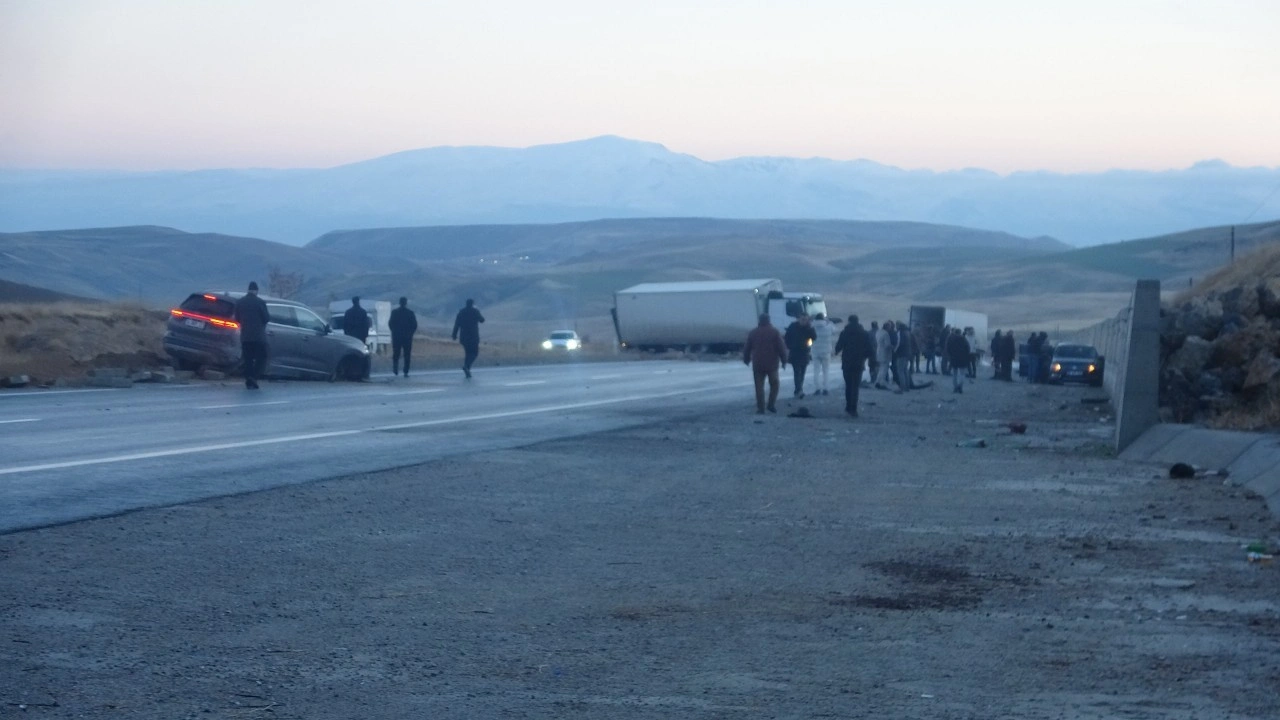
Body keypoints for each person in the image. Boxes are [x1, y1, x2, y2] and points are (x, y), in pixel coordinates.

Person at [743, 313, 787, 414]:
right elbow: (781, 348)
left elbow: (747, 348)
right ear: (769, 320)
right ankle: (771, 404)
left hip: (757, 364)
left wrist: (746, 359)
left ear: (759, 320)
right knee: (775, 384)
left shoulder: (753, 332)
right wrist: (784, 360)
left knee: (759, 387)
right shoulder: (774, 332)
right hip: (772, 364)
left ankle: (761, 408)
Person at [833, 314, 873, 417]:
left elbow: (839, 346)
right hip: (859, 363)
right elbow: (870, 348)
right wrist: (866, 357)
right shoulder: (864, 333)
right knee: (855, 386)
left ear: (849, 321)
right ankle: (853, 408)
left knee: (848, 385)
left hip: (847, 362)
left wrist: (836, 352)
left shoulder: (845, 332)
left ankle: (848, 406)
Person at [233, 281, 270, 390]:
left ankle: (248, 378)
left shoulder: (240, 302)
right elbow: (266, 318)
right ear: (256, 291)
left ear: (248, 290)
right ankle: (254, 377)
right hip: (259, 336)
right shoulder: (260, 302)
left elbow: (237, 319)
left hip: (245, 336)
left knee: (248, 358)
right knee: (262, 357)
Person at [784, 314, 816, 398]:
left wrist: (810, 328)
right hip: (795, 353)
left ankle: (798, 389)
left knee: (802, 372)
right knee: (797, 372)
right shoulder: (793, 326)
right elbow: (787, 337)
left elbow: (814, 337)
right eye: (802, 319)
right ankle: (799, 390)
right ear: (799, 319)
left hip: (804, 353)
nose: (804, 321)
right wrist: (789, 347)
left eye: (805, 319)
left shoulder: (808, 328)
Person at [452, 298, 485, 378]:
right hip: (473, 336)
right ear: (472, 304)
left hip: (464, 337)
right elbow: (482, 320)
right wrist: (477, 310)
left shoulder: (461, 312)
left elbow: (457, 324)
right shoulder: (475, 311)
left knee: (468, 353)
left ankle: (467, 369)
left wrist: (454, 334)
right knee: (474, 353)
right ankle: (467, 366)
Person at [388, 296, 418, 377]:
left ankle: (395, 368)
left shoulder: (394, 312)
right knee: (407, 354)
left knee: (396, 353)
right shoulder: (410, 313)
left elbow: (390, 323)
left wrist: (394, 332)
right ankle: (406, 370)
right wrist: (410, 333)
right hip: (407, 337)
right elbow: (414, 325)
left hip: (397, 336)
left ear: (400, 302)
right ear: (406, 303)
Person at [809, 313, 835, 396]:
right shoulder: (829, 327)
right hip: (826, 352)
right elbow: (834, 330)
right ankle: (826, 389)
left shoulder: (812, 327)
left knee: (816, 371)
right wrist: (829, 322)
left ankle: (817, 388)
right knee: (826, 371)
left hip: (815, 351)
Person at [946, 327, 970, 394]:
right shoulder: (963, 338)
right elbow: (968, 348)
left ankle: (955, 387)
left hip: (953, 358)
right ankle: (960, 386)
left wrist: (950, 355)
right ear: (960, 332)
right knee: (962, 374)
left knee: (954, 374)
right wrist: (966, 355)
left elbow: (947, 348)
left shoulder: (950, 338)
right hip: (962, 358)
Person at [874, 320, 894, 389]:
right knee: (884, 369)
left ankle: (877, 382)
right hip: (885, 354)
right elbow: (887, 345)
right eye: (890, 327)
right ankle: (881, 383)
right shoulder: (886, 334)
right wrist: (893, 347)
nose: (890, 328)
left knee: (881, 369)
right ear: (887, 327)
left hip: (878, 352)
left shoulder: (878, 332)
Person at [866, 321, 881, 386]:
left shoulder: (868, 333)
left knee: (871, 366)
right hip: (879, 352)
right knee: (878, 366)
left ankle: (873, 379)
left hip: (871, 352)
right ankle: (877, 379)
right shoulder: (881, 332)